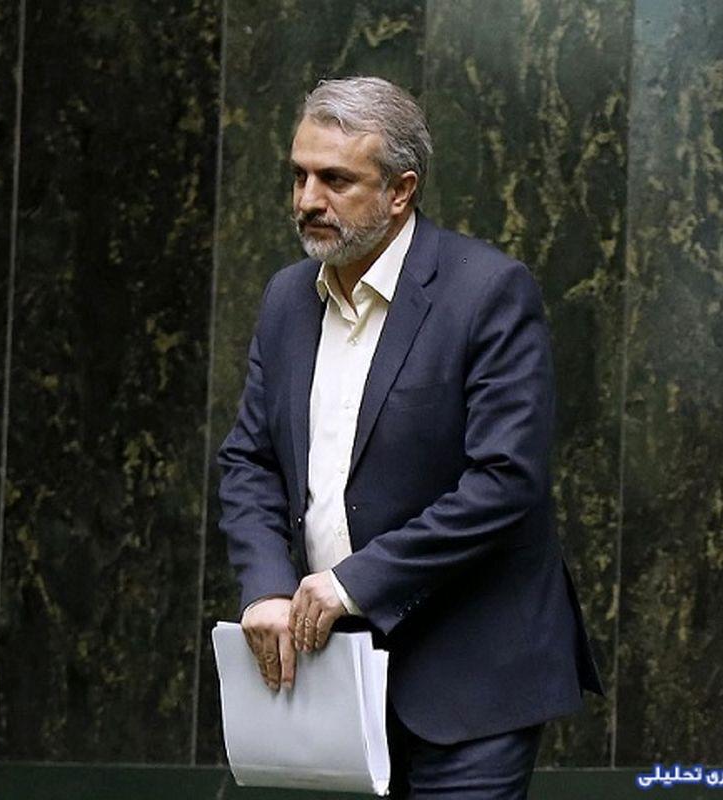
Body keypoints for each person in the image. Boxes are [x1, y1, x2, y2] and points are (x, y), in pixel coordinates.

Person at [218, 76, 602, 799]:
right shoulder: (287, 299)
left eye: (336, 180)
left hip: (471, 679)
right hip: (330, 679)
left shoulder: (487, 292)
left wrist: (353, 583)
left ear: (400, 191)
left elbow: (505, 481)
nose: (307, 200)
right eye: (299, 176)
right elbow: (251, 460)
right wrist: (265, 586)